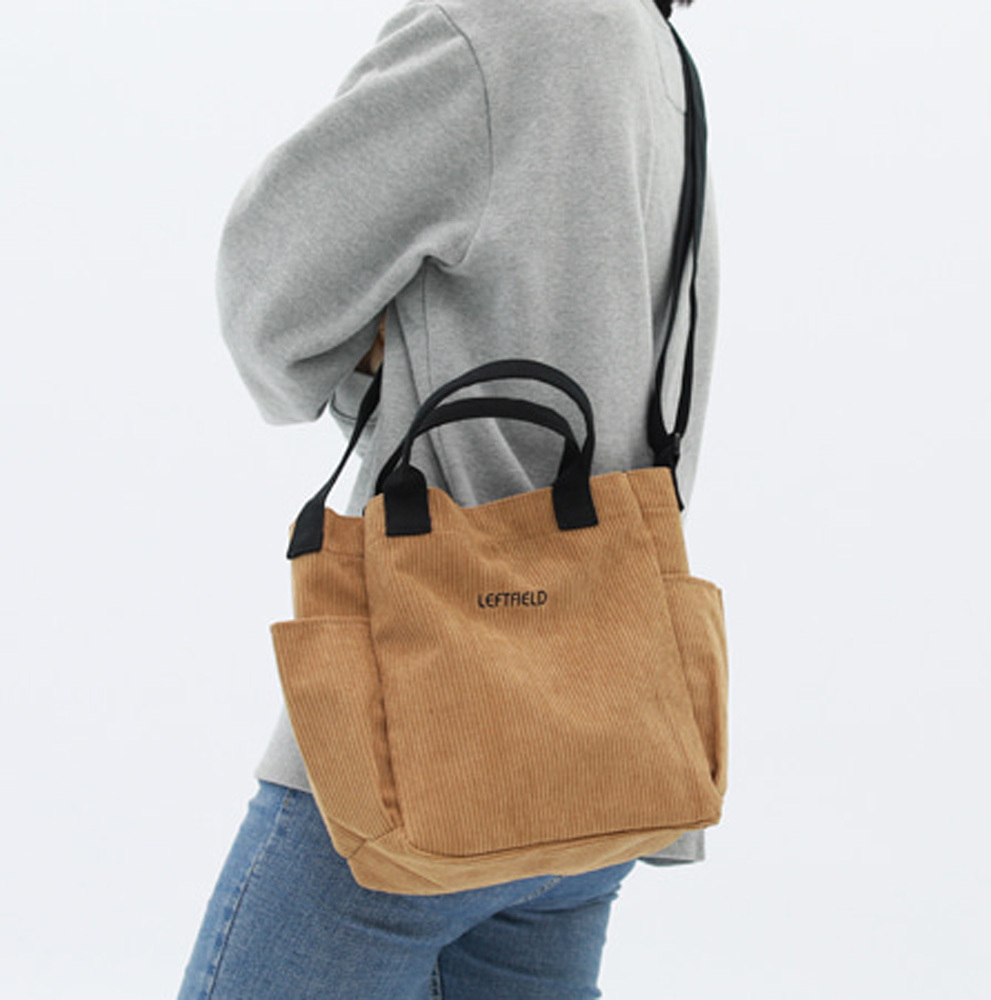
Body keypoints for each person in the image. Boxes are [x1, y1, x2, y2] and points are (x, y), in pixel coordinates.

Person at [177, 0, 718, 996]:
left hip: (430, 728)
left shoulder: (510, 21)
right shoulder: (660, 54)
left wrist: (376, 375)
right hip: (600, 751)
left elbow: (269, 299)